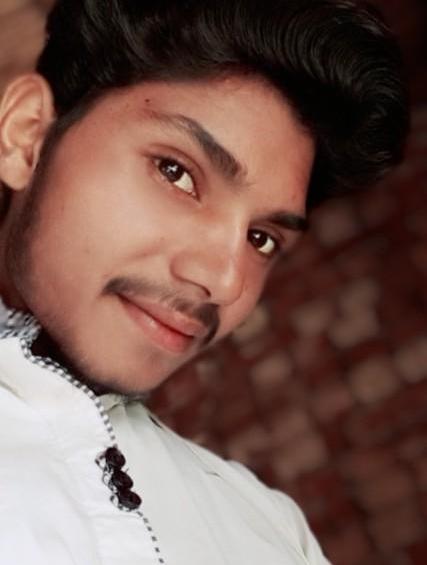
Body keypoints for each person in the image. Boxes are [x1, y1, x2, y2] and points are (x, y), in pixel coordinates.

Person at [0, 0, 408, 563]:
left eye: (261, 238)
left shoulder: (269, 532)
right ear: (26, 137)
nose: (224, 280)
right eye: (177, 173)